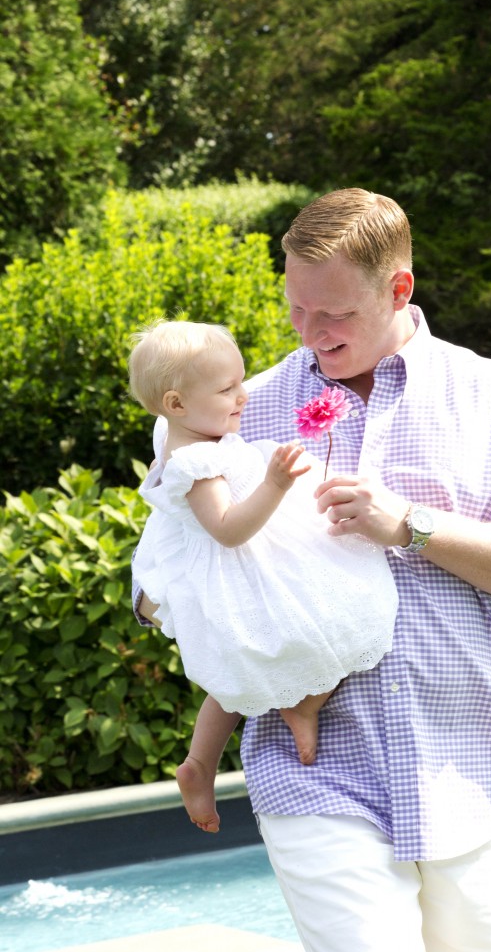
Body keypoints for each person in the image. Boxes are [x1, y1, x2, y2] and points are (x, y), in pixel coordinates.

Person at [135, 188, 491, 952]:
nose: (311, 336)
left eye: (334, 315)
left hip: (477, 768)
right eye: (295, 310)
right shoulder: (244, 408)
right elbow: (165, 551)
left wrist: (410, 525)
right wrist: (184, 603)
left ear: (398, 290)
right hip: (316, 769)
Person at [129, 319, 398, 833]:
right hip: (236, 568)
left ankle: (277, 720)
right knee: (316, 633)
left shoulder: (186, 433)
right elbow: (229, 530)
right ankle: (206, 762)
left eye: (241, 381)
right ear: (176, 404)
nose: (243, 396)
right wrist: (274, 484)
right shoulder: (194, 463)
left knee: (288, 648)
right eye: (227, 389)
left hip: (253, 560)